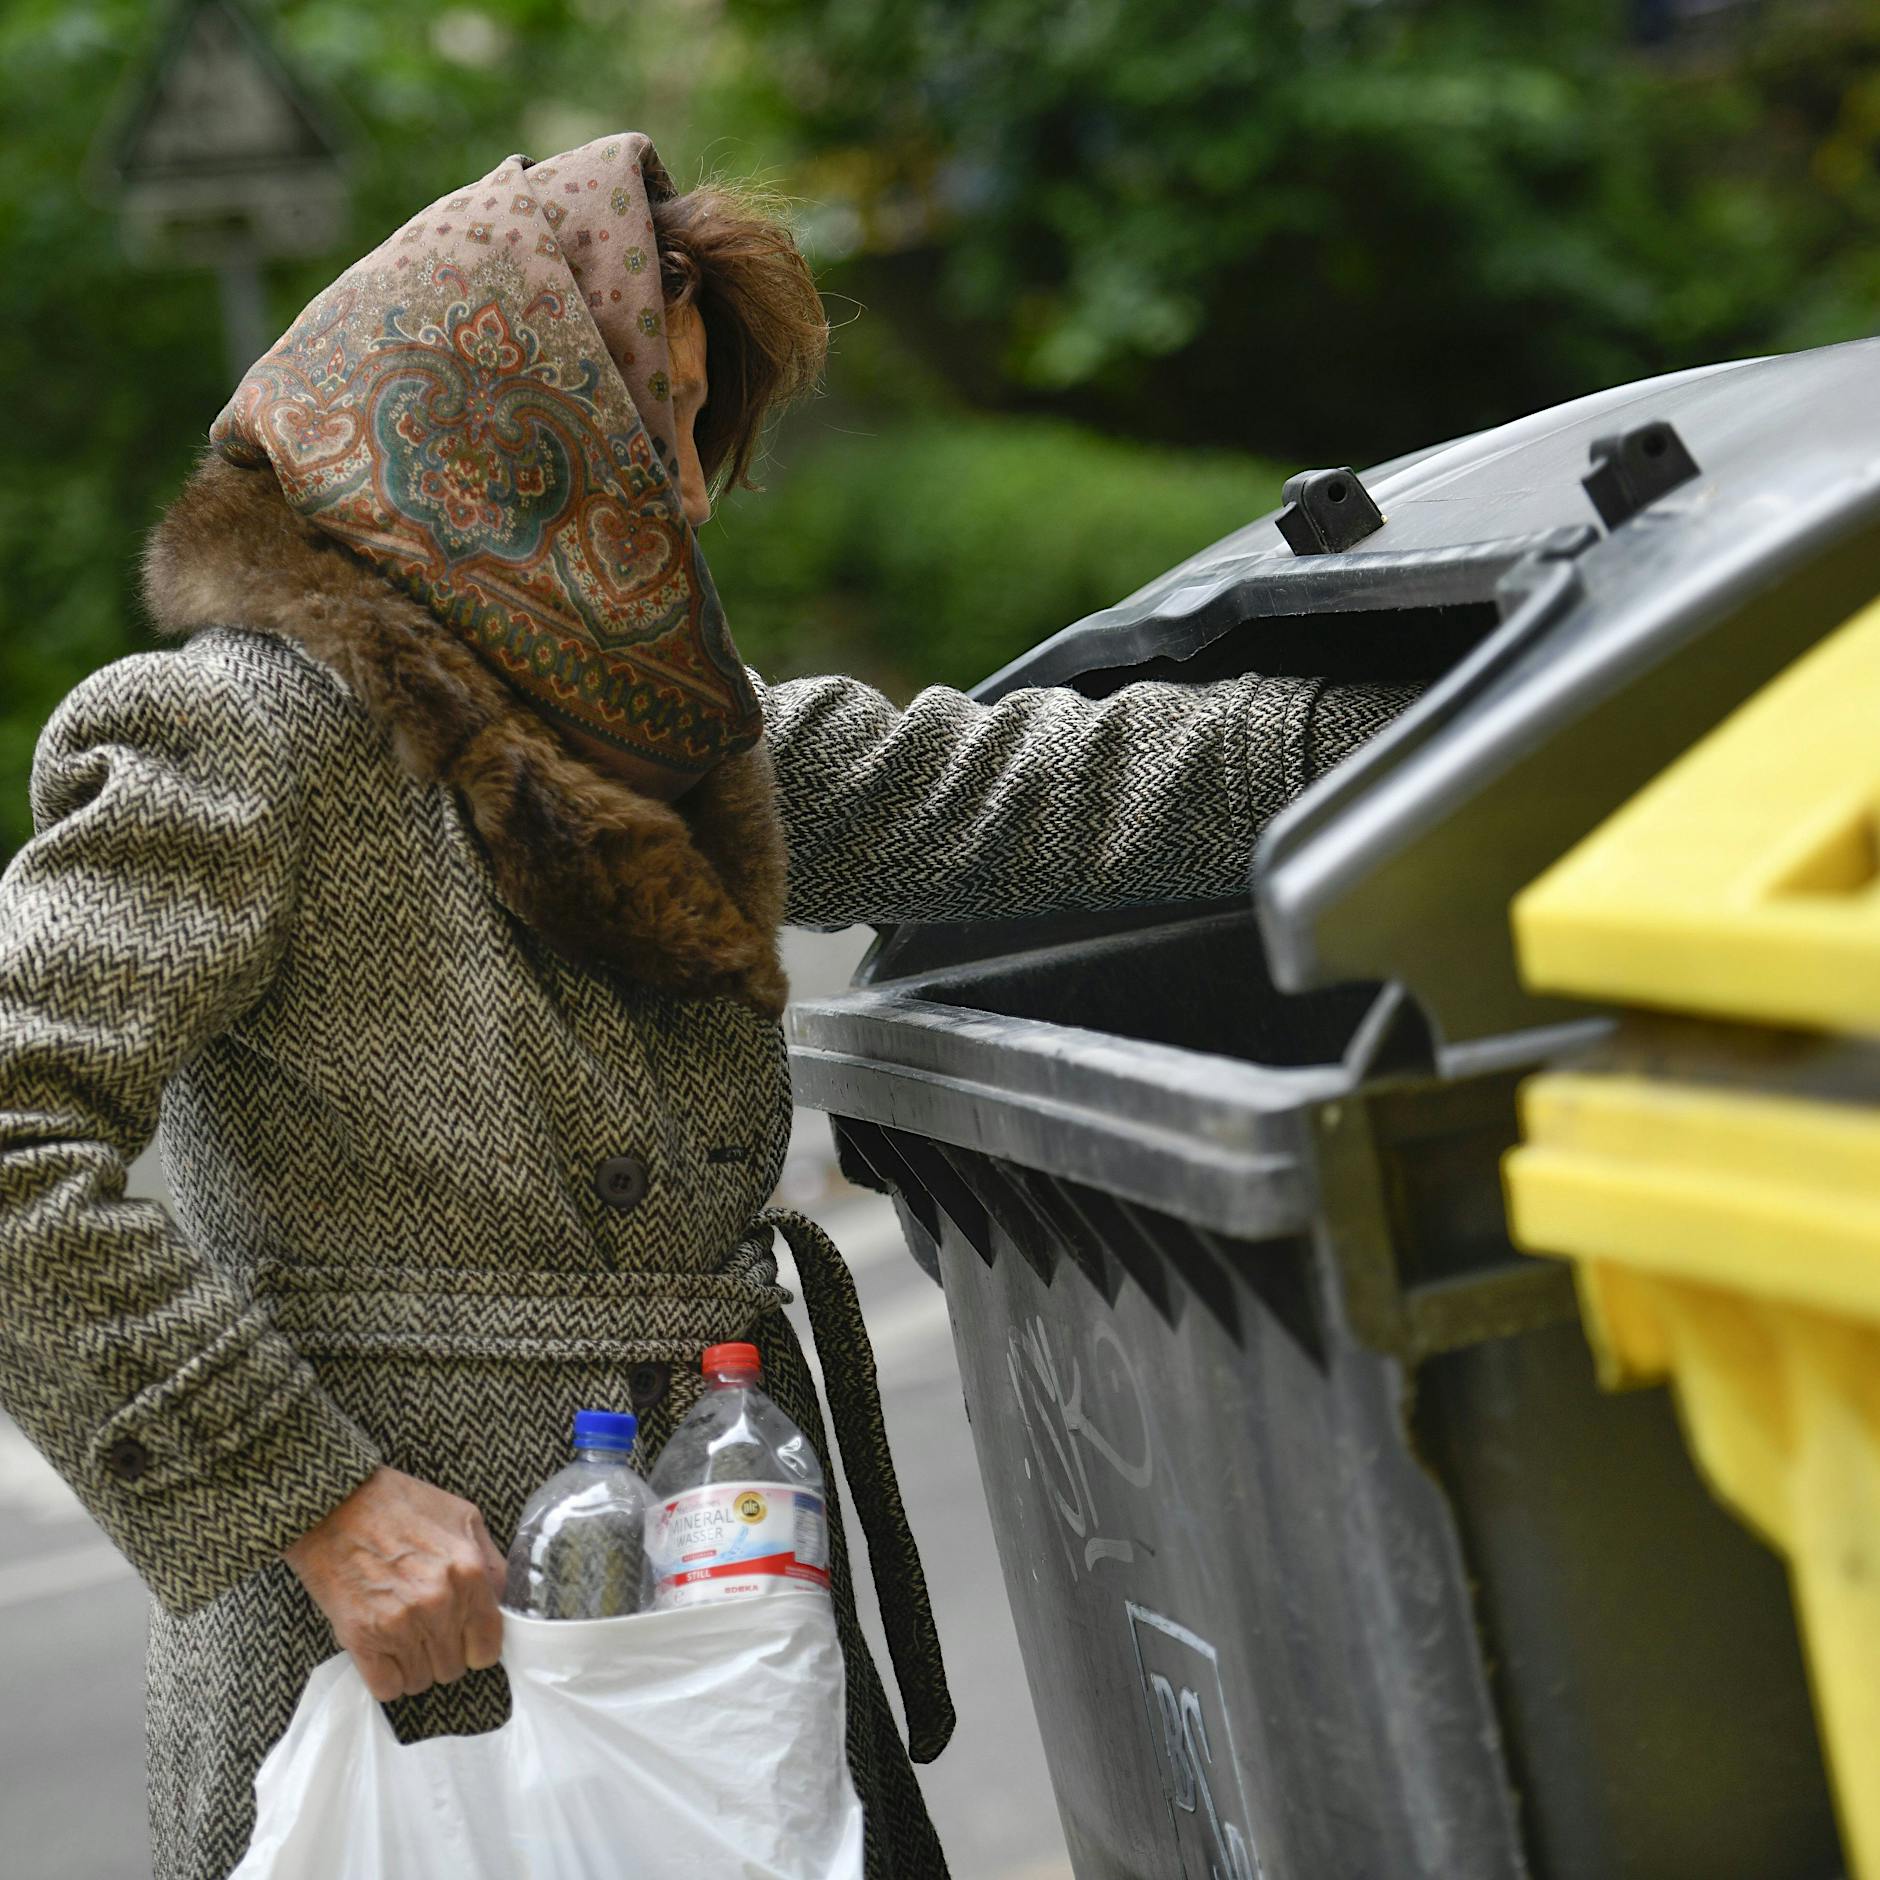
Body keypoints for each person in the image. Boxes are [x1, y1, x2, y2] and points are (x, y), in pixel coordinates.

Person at [0, 130, 1417, 1879]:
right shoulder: (248, 726)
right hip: (415, 1670)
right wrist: (311, 1501)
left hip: (724, 1568)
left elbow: (1023, 788)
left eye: (687, 419)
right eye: (642, 415)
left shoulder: (662, 720)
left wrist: (1465, 709)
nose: (683, 477)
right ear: (495, 422)